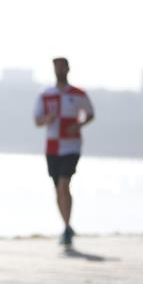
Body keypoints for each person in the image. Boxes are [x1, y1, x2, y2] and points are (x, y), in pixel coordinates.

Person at [33, 57, 95, 247]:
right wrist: (47, 118)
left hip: (71, 146)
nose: (59, 69)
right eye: (56, 66)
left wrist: (78, 125)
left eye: (62, 66)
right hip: (52, 146)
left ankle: (67, 226)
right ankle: (66, 226)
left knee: (64, 184)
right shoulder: (45, 94)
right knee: (57, 189)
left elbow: (90, 113)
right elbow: (37, 121)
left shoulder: (78, 94)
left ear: (68, 68)